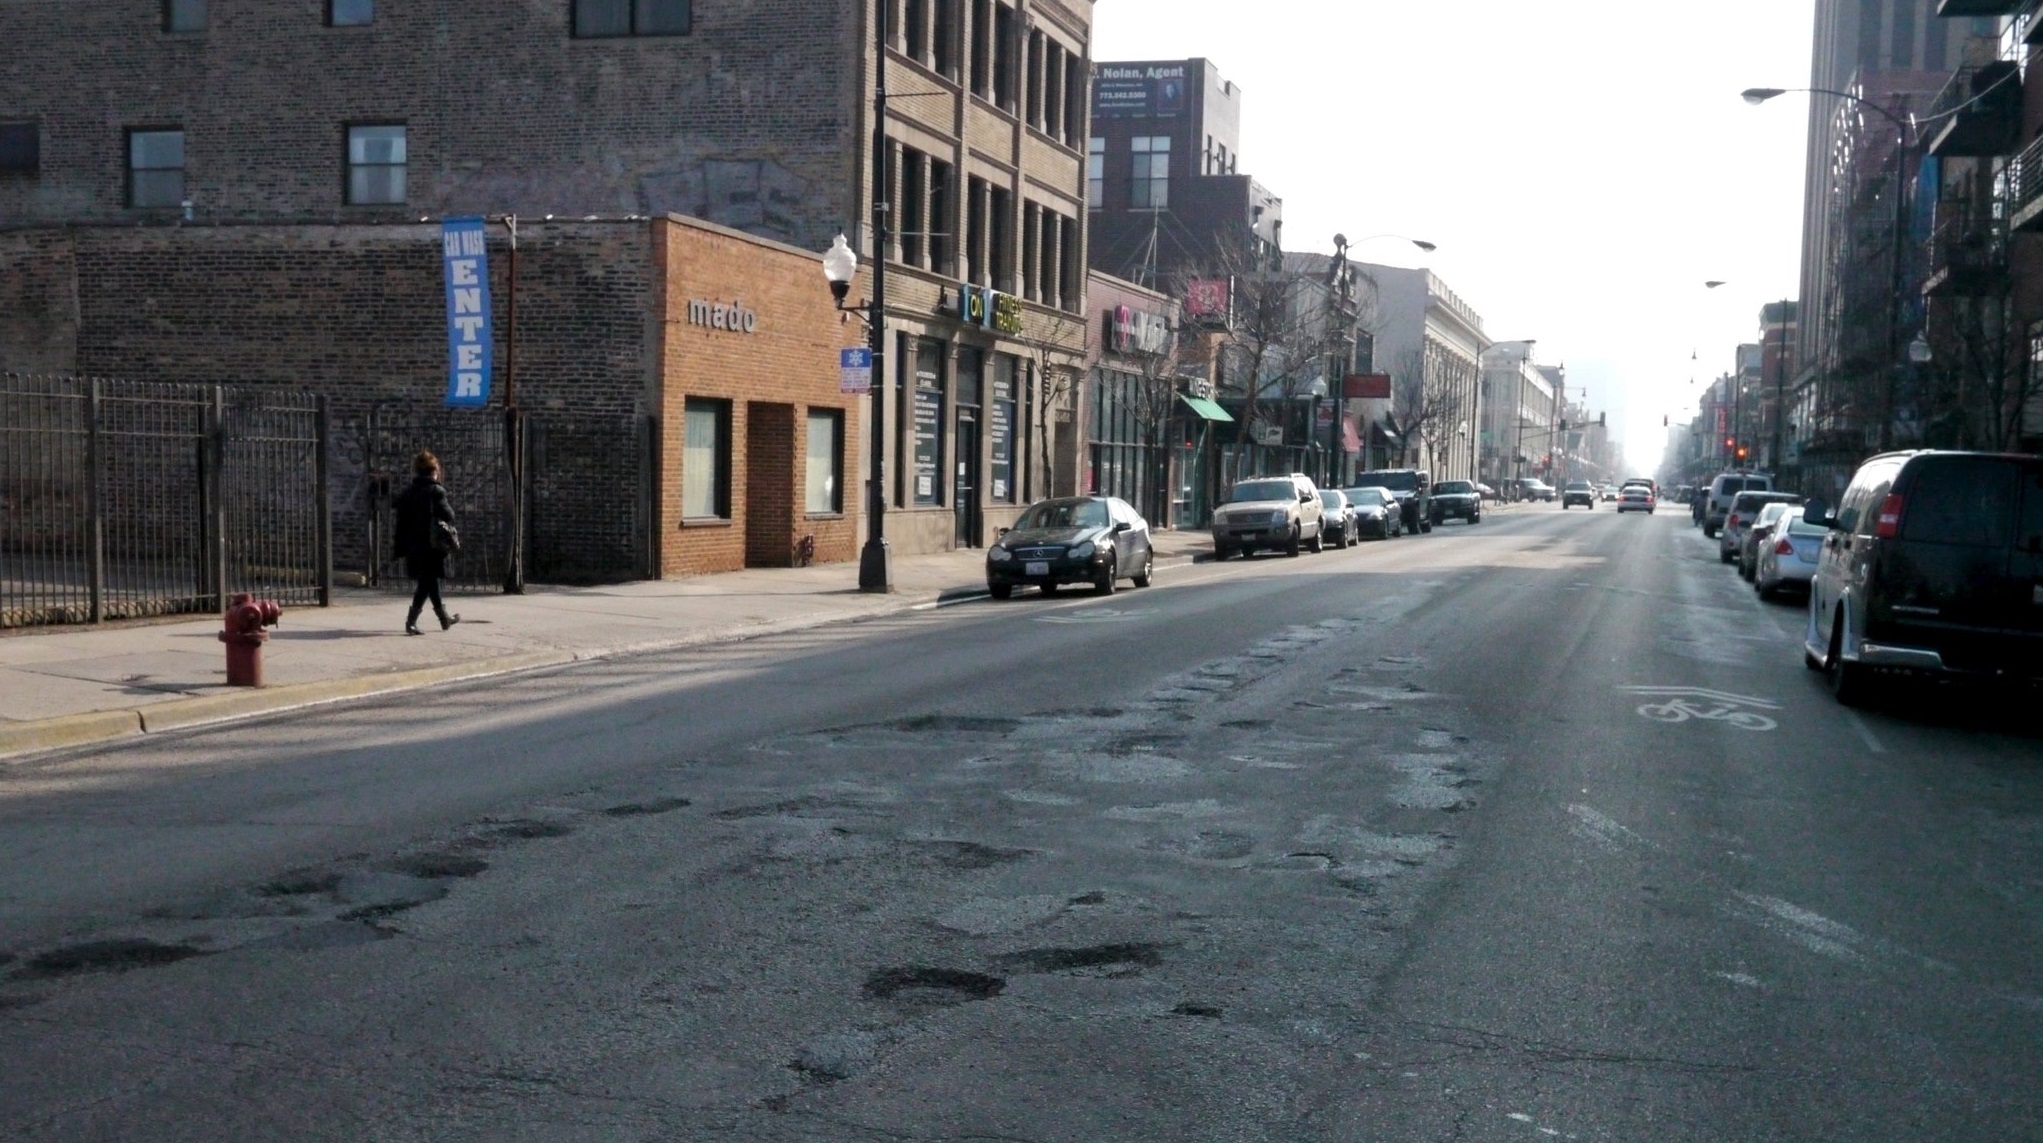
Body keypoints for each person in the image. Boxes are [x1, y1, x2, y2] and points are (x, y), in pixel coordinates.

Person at [392, 450, 461, 636]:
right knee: (428, 582)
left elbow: (396, 505)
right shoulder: (436, 491)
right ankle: (414, 622)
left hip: (412, 545)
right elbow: (449, 515)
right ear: (434, 471)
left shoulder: (408, 492)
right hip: (431, 546)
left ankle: (442, 618)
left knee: (428, 581)